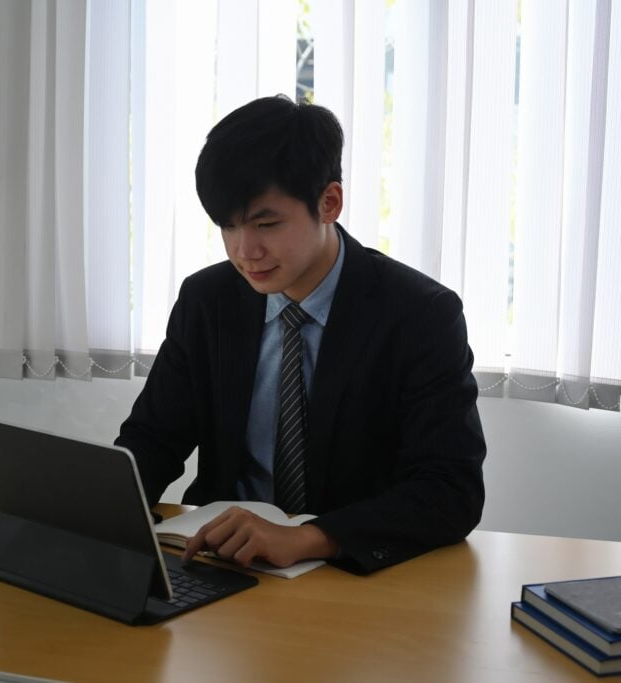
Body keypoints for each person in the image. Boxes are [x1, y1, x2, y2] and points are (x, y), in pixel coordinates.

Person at [115, 95, 486, 575]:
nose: (245, 251)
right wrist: (97, 512)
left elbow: (450, 488)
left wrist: (308, 538)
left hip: (350, 574)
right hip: (220, 563)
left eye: (266, 224)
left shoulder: (419, 315)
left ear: (329, 202)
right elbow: (153, 438)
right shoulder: (208, 301)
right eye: (227, 227)